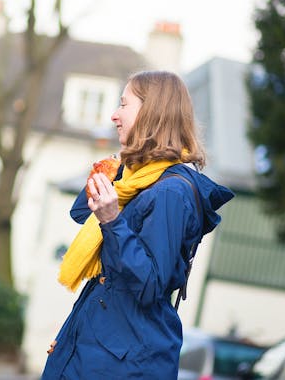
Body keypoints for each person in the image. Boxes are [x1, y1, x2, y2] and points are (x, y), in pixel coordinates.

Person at [41, 70, 235, 379]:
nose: (114, 115)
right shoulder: (136, 180)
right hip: (101, 353)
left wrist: (113, 221)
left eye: (123, 105)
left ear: (151, 113)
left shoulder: (171, 193)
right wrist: (117, 170)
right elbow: (81, 214)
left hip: (121, 365)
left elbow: (149, 285)